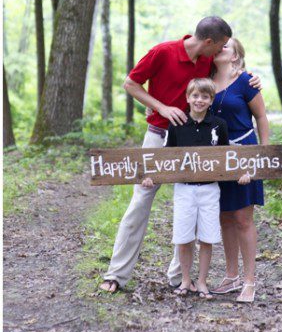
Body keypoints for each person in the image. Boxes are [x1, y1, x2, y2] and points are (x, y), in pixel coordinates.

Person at [98, 16, 261, 293]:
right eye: (220, 46)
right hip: (159, 136)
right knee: (140, 201)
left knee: (188, 201)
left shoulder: (207, 61)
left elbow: (225, 79)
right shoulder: (163, 52)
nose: (221, 51)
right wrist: (160, 107)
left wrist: (252, 78)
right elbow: (130, 84)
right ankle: (116, 274)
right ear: (209, 42)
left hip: (193, 142)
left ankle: (179, 276)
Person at [141, 78, 229, 299]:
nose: (199, 100)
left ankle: (202, 282)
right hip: (184, 190)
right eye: (195, 96)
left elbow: (227, 159)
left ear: (211, 100)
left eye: (205, 97)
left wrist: (241, 174)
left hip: (210, 190)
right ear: (188, 98)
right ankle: (186, 280)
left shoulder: (219, 125)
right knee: (184, 236)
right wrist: (152, 176)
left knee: (207, 237)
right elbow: (166, 159)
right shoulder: (177, 124)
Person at [207, 38, 269, 304]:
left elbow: (262, 117)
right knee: (225, 218)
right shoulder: (205, 80)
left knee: (243, 219)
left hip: (245, 152)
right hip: (216, 157)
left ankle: (249, 281)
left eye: (226, 45)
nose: (220, 47)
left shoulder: (246, 81)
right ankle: (231, 276)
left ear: (235, 56)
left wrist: (264, 155)